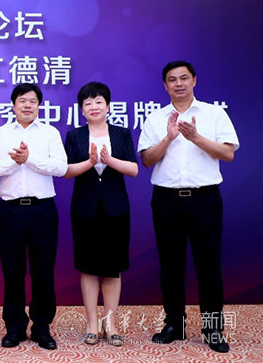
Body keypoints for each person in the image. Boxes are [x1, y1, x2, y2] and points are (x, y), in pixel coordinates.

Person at [138, 61, 239, 353]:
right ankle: (175, 324)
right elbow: (147, 160)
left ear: (194, 80)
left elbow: (228, 153)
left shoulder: (214, 113)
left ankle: (212, 328)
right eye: (172, 79)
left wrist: (195, 138)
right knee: (170, 266)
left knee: (209, 266)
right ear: (165, 85)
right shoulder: (155, 118)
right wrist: (169, 138)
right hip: (166, 200)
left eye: (184, 78)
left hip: (204, 199)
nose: (178, 83)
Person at [0, 83, 67, 350]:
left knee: (43, 271)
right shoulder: (1, 134)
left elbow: (61, 167)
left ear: (39, 105)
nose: (27, 105)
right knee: (13, 270)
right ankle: (15, 327)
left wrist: (29, 159)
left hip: (43, 211)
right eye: (22, 100)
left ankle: (42, 327)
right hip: (11, 211)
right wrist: (14, 162)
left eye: (32, 101)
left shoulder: (50, 133)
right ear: (14, 105)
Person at [63, 82, 138, 347]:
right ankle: (92, 324)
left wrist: (109, 161)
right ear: (82, 109)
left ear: (108, 106)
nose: (93, 107)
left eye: (98, 102)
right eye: (87, 103)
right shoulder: (75, 136)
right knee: (88, 266)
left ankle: (110, 324)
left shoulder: (121, 134)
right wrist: (90, 162)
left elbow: (133, 169)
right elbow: (66, 171)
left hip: (116, 208)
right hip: (84, 209)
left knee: (112, 268)